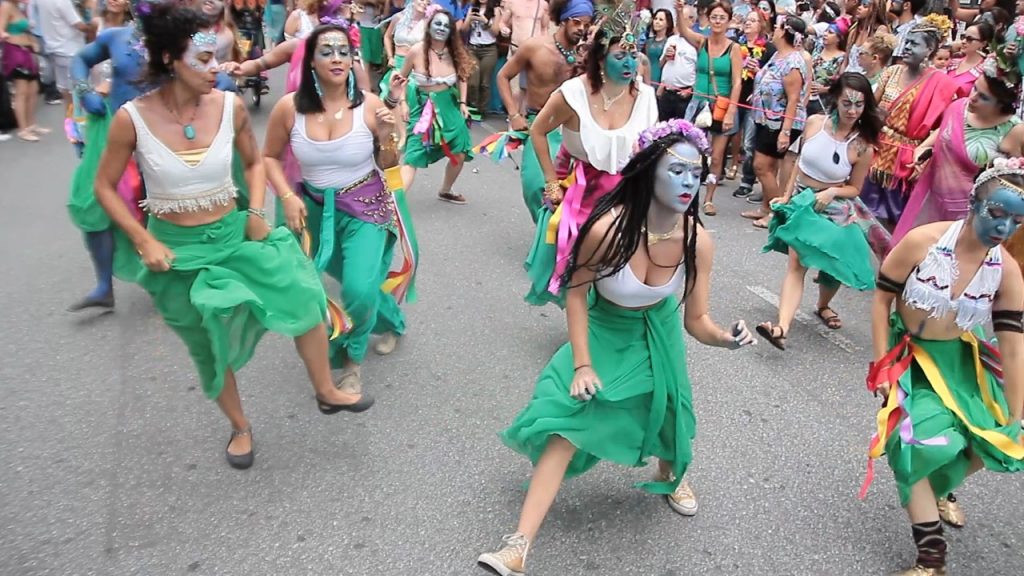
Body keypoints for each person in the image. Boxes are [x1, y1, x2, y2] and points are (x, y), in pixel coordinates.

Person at [93, 3, 374, 469]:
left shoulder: (229, 106)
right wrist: (142, 238)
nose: (214, 67)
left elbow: (252, 162)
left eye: (215, 57)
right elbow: (102, 186)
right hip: (177, 254)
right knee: (210, 345)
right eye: (201, 60)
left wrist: (256, 209)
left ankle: (326, 390)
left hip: (233, 236)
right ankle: (240, 426)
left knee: (304, 296)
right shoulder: (131, 119)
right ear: (168, 60)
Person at [477, 119, 756, 576]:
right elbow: (575, 294)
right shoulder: (607, 229)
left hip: (658, 331)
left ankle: (670, 473)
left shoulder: (697, 241)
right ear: (648, 170)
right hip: (606, 328)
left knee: (668, 409)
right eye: (677, 170)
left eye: (696, 172)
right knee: (567, 419)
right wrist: (582, 364)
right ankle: (518, 546)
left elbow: (697, 320)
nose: (689, 182)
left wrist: (725, 338)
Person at [862, 157, 1024, 575]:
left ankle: (937, 489)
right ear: (973, 203)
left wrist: (1016, 412)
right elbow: (881, 300)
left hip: (961, 361)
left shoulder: (1007, 272)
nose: (1004, 228)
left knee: (989, 441)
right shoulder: (922, 242)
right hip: (910, 359)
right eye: (997, 213)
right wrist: (882, 366)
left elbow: (1013, 347)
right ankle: (931, 560)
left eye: (1017, 221)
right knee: (915, 444)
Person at [263, 24, 414, 394]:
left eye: (344, 51)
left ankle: (352, 359)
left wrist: (387, 135)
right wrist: (285, 195)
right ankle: (391, 319)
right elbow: (268, 156)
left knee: (359, 290)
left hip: (364, 206)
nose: (336, 58)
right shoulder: (289, 109)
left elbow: (389, 162)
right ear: (311, 61)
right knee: (320, 290)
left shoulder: (369, 105)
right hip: (311, 212)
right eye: (326, 51)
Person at [523, 21, 659, 308]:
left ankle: (604, 326)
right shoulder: (573, 94)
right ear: (599, 59)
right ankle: (583, 327)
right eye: (620, 56)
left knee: (620, 269)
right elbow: (538, 131)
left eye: (634, 55)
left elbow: (650, 148)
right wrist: (551, 182)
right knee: (582, 271)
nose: (630, 64)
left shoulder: (646, 97)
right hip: (584, 194)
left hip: (629, 194)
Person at [756, 73, 889, 347]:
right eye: (846, 103)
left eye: (859, 105)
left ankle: (823, 305)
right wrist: (786, 195)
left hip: (835, 206)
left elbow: (854, 188)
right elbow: (799, 163)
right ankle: (781, 326)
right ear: (835, 100)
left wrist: (832, 191)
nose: (853, 110)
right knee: (797, 264)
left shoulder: (862, 146)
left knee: (833, 263)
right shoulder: (815, 123)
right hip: (803, 203)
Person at [895, 63, 1022, 245]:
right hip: (930, 200)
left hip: (968, 215)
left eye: (983, 97)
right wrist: (923, 150)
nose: (973, 98)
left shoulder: (1014, 130)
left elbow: (1012, 184)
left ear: (1001, 104)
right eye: (974, 89)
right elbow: (943, 132)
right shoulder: (957, 107)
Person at [860, 15, 959, 229]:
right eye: (906, 42)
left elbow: (947, 124)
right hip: (877, 150)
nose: (906, 48)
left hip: (907, 160)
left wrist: (924, 148)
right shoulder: (892, 71)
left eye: (914, 44)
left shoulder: (941, 84)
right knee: (862, 214)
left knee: (895, 220)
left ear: (930, 48)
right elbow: (871, 107)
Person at [497, 0, 593, 221]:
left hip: (573, 129)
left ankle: (556, 239)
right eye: (577, 22)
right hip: (540, 125)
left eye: (586, 25)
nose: (581, 29)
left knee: (571, 189)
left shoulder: (586, 56)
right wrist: (514, 114)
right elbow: (503, 76)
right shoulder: (534, 47)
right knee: (534, 185)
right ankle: (546, 230)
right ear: (563, 20)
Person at [394, 5, 475, 203]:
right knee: (412, 155)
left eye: (446, 26)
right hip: (423, 107)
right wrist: (403, 103)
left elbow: (463, 77)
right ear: (429, 26)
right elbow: (400, 79)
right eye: (437, 24)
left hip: (449, 105)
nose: (441, 28)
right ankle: (393, 202)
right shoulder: (416, 51)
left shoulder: (455, 51)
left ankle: (446, 189)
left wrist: (463, 103)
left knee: (460, 151)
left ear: (450, 31)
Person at [673, 1, 743, 217]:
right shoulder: (702, 42)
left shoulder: (734, 48)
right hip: (697, 104)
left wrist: (731, 111)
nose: (718, 21)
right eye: (714, 17)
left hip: (721, 107)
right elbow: (684, 31)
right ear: (709, 19)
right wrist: (678, 12)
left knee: (716, 156)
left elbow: (737, 82)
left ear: (728, 21)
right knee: (690, 151)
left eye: (722, 17)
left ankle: (709, 199)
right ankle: (685, 194)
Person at [742, 15, 809, 229]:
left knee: (761, 166)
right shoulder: (778, 55)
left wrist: (785, 131)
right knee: (768, 166)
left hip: (780, 122)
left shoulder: (793, 62)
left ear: (785, 32)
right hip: (765, 117)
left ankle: (775, 212)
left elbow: (793, 99)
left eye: (778, 27)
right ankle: (764, 208)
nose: (774, 30)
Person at [0, 0, 43, 141]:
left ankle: (31, 124)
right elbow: (1, 29)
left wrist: (33, 42)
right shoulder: (6, 6)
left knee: (33, 88)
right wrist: (6, 36)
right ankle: (23, 129)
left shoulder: (19, 7)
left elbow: (27, 30)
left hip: (27, 51)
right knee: (21, 91)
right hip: (15, 51)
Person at [464, 0, 502, 115]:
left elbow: (496, 32)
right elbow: (464, 30)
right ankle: (473, 107)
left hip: (489, 50)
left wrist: (484, 20)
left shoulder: (496, 10)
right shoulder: (472, 8)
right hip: (472, 48)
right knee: (472, 82)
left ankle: (482, 110)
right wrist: (469, 20)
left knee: (485, 83)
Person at [946, 22, 993, 98]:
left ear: (983, 43)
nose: (963, 41)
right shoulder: (952, 62)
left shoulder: (986, 70)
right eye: (963, 37)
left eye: (969, 39)